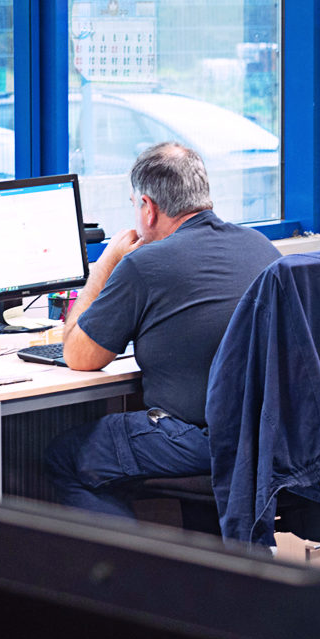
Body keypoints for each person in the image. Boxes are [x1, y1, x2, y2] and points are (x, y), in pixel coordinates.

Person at [44, 142, 280, 518]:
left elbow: (78, 355)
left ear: (148, 208)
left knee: (68, 457)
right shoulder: (261, 248)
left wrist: (106, 263)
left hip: (201, 442)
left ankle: (127, 558)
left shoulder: (144, 263)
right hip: (269, 440)